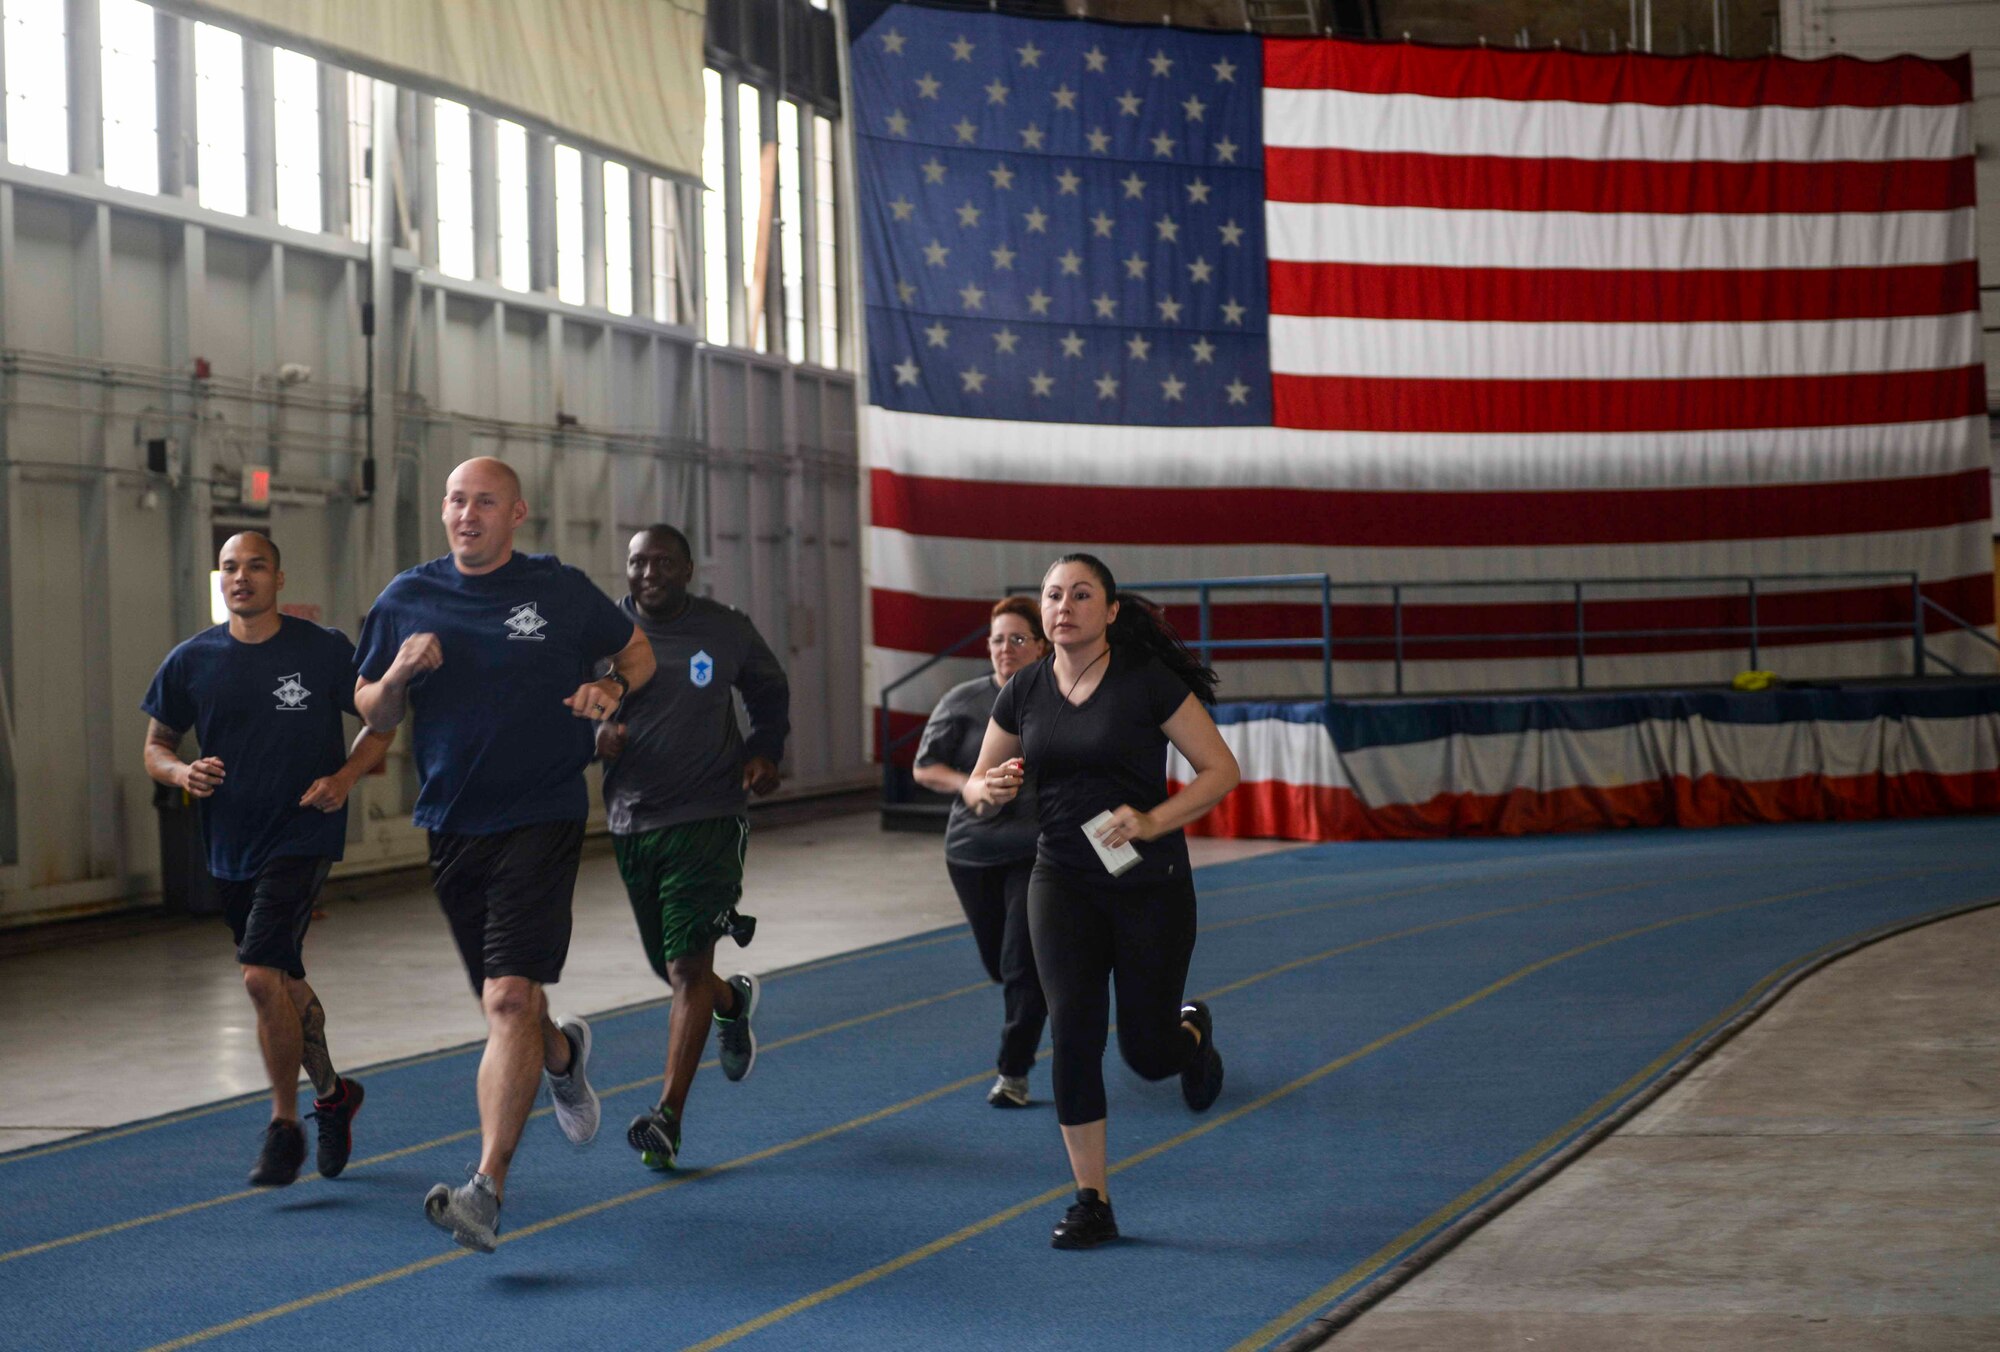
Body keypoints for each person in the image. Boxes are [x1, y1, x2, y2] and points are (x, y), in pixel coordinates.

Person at [353, 457, 656, 1253]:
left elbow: (638, 657)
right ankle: (563, 1054)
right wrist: (398, 672)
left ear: (516, 512)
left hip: (544, 813)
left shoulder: (556, 589)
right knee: (509, 1007)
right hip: (453, 824)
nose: (466, 514)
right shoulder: (408, 597)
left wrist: (611, 695)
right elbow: (372, 709)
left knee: (508, 1001)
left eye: (484, 502)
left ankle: (486, 1190)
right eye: (455, 500)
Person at [970, 553, 1240, 1249]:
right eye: (1054, 595)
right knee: (1076, 1035)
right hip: (1060, 881)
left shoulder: (1145, 682)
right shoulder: (1023, 689)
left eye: (1081, 595)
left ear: (1111, 612)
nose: (1064, 607)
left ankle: (1190, 1036)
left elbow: (1220, 771)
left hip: (1148, 885)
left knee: (1148, 1055)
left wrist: (1152, 821)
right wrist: (991, 789)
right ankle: (1092, 1199)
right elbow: (977, 786)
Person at [141, 531, 391, 1187]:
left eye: (255, 566)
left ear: (280, 578)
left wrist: (342, 779)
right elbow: (156, 746)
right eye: (229, 567)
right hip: (230, 843)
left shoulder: (322, 650)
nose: (240, 577)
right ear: (218, 579)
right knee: (282, 982)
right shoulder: (191, 660)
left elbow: (381, 724)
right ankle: (336, 1096)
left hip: (303, 832)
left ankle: (284, 1126)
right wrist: (180, 772)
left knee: (258, 977)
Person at [599, 524, 790, 1171]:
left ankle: (668, 1117)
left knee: (684, 971)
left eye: (663, 562)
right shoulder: (600, 634)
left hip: (709, 817)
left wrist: (764, 751)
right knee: (675, 969)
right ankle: (731, 1002)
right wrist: (592, 738)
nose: (649, 573)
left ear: (688, 569)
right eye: (637, 562)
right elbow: (560, 710)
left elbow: (769, 690)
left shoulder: (725, 629)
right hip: (632, 823)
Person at [913, 597, 1051, 1108]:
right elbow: (925, 767)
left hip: (1036, 855)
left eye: (1018, 639)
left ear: (1042, 646)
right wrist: (969, 787)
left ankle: (1012, 1073)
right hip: (971, 852)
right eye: (997, 639)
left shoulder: (1061, 702)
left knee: (1022, 965)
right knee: (1002, 966)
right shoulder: (963, 700)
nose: (1005, 649)